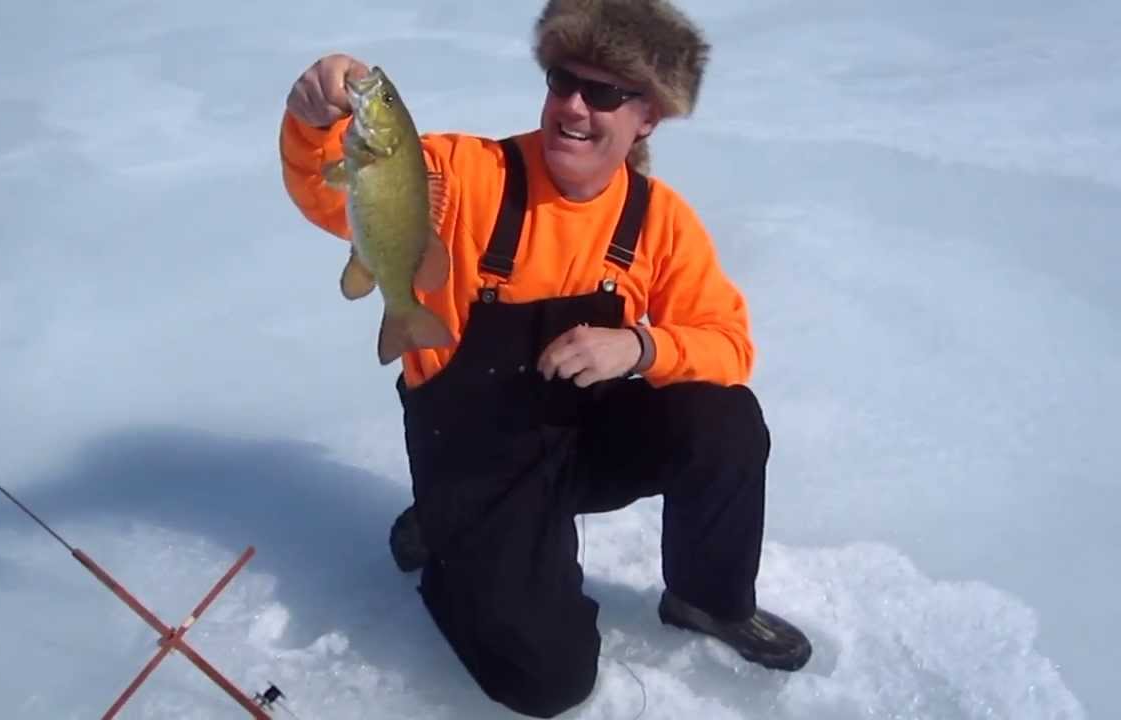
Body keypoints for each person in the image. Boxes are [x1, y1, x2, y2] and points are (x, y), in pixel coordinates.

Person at [279, 0, 811, 716]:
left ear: (647, 118)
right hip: (474, 458)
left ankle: (705, 599)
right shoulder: (463, 174)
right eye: (564, 81)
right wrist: (315, 119)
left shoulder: (658, 220)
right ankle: (448, 543)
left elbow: (730, 344)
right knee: (548, 681)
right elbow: (334, 193)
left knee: (726, 421)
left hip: (576, 442)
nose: (574, 107)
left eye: (605, 93)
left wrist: (640, 345)